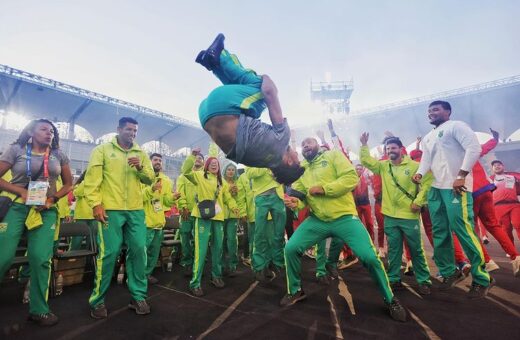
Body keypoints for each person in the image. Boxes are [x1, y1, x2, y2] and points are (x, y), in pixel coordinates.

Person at [283, 137, 407, 322]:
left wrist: (325, 188)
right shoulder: (303, 169)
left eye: (309, 142)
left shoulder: (333, 156)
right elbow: (301, 196)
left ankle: (390, 299)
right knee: (290, 249)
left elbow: (351, 179)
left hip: (345, 217)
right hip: (317, 220)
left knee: (370, 258)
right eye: (303, 145)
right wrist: (296, 203)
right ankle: (295, 290)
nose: (305, 146)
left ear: (317, 145)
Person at [195, 33, 303, 184]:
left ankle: (221, 57)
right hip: (205, 115)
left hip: (222, 104)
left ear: (290, 162)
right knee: (252, 109)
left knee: (259, 88)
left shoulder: (283, 140)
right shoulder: (257, 163)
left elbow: (270, 92)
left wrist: (266, 77)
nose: (298, 154)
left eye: (298, 160)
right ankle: (213, 64)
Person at [414, 100, 493, 298]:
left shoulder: (456, 126)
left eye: (436, 109)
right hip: (435, 188)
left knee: (462, 228)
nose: (431, 113)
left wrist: (461, 175)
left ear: (448, 111)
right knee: (439, 230)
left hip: (456, 186)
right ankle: (449, 271)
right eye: (429, 110)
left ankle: (482, 278)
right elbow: (426, 159)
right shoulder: (428, 137)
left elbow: (473, 148)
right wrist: (420, 174)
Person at [0, 119, 73, 326]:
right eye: (43, 129)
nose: (49, 133)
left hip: (45, 211)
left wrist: (52, 199)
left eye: (52, 131)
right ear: (31, 131)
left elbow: (69, 184)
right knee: (3, 257)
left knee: (41, 259)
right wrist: (21, 191)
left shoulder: (59, 154)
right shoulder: (17, 149)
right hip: (16, 207)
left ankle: (39, 310)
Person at [84, 116, 155, 318]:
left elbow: (150, 179)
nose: (132, 134)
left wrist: (140, 167)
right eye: (129, 130)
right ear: (119, 129)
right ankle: (97, 301)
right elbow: (92, 181)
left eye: (135, 131)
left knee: (139, 250)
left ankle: (138, 296)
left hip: (135, 210)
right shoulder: (103, 150)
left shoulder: (141, 153)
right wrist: (96, 204)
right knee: (109, 252)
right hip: (111, 209)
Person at [360, 133, 433, 294]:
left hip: (409, 215)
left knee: (416, 249)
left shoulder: (415, 166)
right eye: (387, 148)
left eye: (393, 148)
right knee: (393, 249)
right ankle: (394, 278)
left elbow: (428, 183)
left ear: (401, 149)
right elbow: (366, 161)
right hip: (390, 216)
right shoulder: (384, 166)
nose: (390, 150)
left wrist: (418, 201)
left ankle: (423, 280)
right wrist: (364, 145)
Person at [181, 149, 240, 296]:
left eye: (216, 163)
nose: (214, 165)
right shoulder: (199, 175)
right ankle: (195, 283)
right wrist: (192, 156)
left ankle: (216, 276)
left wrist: (234, 207)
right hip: (202, 218)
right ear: (206, 165)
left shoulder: (222, 182)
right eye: (211, 163)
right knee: (200, 251)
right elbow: (186, 171)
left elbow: (227, 198)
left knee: (218, 249)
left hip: (218, 219)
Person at [143, 153, 179, 284]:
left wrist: (173, 198)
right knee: (142, 253)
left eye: (160, 160)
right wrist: (152, 189)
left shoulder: (166, 181)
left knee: (153, 252)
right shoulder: (143, 177)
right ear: (149, 162)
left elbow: (166, 202)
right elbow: (139, 198)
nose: (158, 162)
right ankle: (137, 277)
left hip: (159, 222)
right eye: (155, 160)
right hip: (145, 223)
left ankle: (147, 275)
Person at [246, 167, 287, 281]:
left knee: (279, 233)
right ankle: (259, 267)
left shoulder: (277, 153)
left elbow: (285, 172)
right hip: (261, 197)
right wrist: (267, 167)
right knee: (259, 235)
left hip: (278, 196)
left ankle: (278, 263)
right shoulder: (252, 155)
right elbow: (249, 173)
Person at [177, 153, 204, 276]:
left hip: (200, 214)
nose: (198, 160)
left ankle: (197, 264)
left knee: (199, 240)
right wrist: (183, 207)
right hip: (187, 213)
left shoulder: (205, 176)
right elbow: (179, 192)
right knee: (185, 238)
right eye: (196, 158)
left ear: (204, 163)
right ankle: (187, 263)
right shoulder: (183, 176)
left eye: (200, 158)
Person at [491, 160, 520, 251]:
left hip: (514, 204)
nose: (497, 166)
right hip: (498, 207)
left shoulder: (512, 176)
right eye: (494, 165)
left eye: (499, 164)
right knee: (506, 229)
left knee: (518, 224)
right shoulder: (490, 179)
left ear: (503, 166)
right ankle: (512, 250)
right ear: (492, 169)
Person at [221, 161, 244, 276]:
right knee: (222, 240)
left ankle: (232, 265)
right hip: (222, 215)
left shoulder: (238, 183)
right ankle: (221, 265)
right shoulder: (220, 182)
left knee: (231, 240)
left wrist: (236, 194)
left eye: (233, 170)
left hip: (234, 216)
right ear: (225, 171)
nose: (230, 171)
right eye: (228, 169)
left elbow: (240, 199)